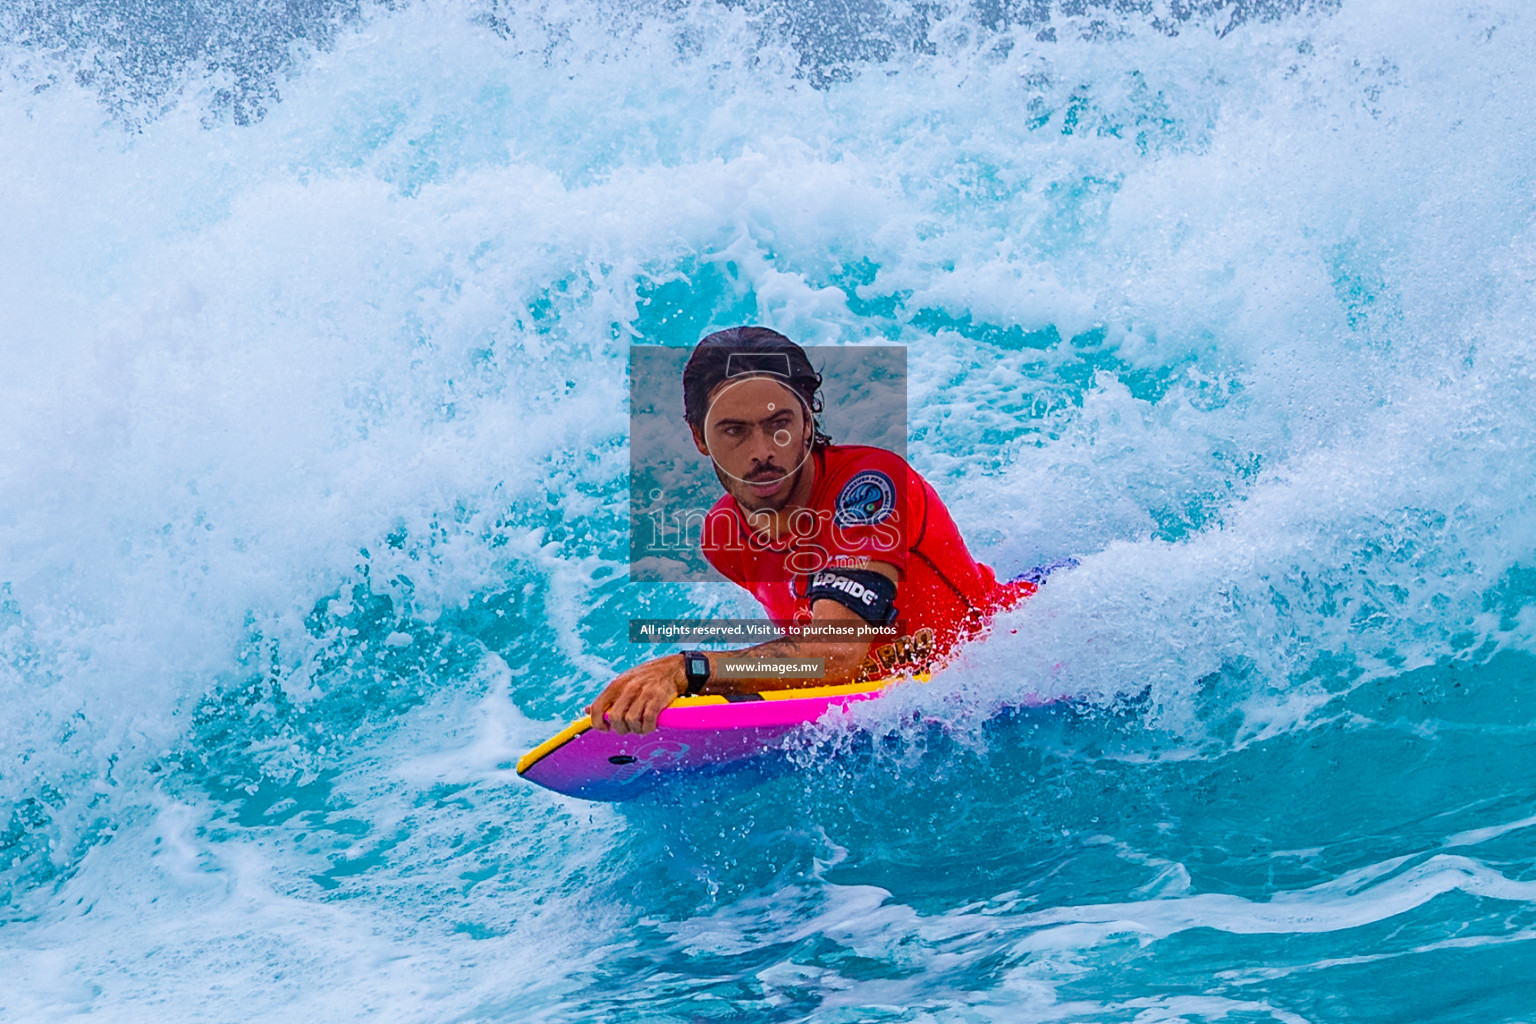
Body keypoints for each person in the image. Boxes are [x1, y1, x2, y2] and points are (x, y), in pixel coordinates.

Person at [587, 327, 1040, 735]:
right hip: (898, 702)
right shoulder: (723, 537)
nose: (761, 452)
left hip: (1014, 664)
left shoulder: (871, 486)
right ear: (699, 437)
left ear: (808, 421)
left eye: (779, 425)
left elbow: (835, 653)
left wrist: (689, 670)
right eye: (734, 431)